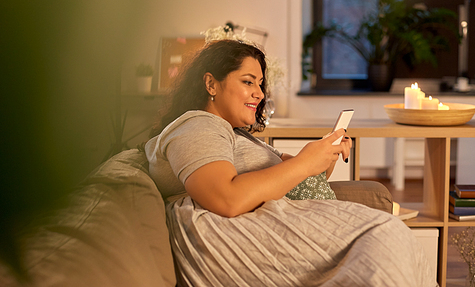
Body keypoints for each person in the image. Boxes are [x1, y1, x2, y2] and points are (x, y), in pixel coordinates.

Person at [145, 39, 436, 287]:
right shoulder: (198, 126)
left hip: (285, 215)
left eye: (260, 84)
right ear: (211, 83)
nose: (259, 93)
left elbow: (291, 180)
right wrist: (306, 162)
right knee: (386, 238)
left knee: (388, 238)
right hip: (243, 235)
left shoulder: (235, 136)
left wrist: (324, 156)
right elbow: (225, 198)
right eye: (248, 82)